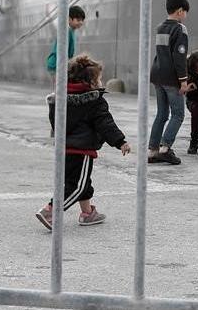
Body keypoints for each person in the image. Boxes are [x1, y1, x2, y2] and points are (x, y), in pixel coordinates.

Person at [35, 54, 130, 230]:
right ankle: (51, 210)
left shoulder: (60, 99)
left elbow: (55, 123)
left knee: (81, 182)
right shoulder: (94, 101)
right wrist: (120, 141)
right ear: (91, 82)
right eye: (99, 78)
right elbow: (105, 123)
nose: (101, 82)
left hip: (63, 149)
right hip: (82, 150)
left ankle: (87, 213)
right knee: (76, 186)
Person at [148, 0, 190, 165]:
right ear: (180, 11)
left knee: (162, 114)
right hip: (172, 78)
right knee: (178, 114)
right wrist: (184, 81)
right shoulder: (179, 29)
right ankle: (165, 148)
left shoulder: (160, 27)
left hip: (158, 75)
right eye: (186, 12)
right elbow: (179, 56)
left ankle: (152, 151)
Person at [45, 5, 86, 77]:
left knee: (62, 86)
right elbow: (61, 51)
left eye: (82, 20)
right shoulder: (66, 31)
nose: (81, 22)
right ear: (69, 19)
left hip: (61, 64)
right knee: (60, 86)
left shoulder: (72, 31)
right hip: (56, 64)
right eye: (78, 20)